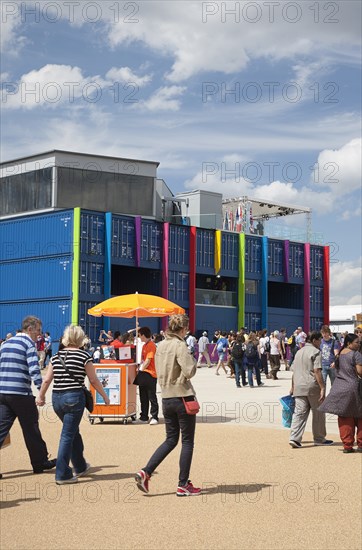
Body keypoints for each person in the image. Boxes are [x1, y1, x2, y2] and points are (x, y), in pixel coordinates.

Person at [135, 314, 200, 497]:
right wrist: (192, 359)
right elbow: (189, 371)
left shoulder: (160, 345)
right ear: (182, 329)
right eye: (186, 329)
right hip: (182, 397)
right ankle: (183, 484)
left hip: (166, 397)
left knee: (171, 439)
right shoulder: (180, 345)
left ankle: (146, 471)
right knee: (187, 441)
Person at [36, 325, 110, 484]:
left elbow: (47, 379)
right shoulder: (84, 356)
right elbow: (93, 380)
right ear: (80, 339)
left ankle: (80, 466)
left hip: (56, 399)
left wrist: (41, 396)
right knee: (68, 435)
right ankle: (62, 474)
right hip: (74, 398)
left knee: (72, 431)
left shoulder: (56, 356)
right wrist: (105, 396)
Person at [0, 316, 56, 474]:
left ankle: (40, 461)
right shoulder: (28, 344)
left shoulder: (5, 344)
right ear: (29, 329)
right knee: (31, 429)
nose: (39, 334)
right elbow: (34, 369)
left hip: (3, 393)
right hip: (20, 393)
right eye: (38, 330)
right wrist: (41, 391)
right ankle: (40, 463)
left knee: (1, 430)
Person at [289, 331, 333, 449]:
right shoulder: (316, 352)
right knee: (318, 412)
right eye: (319, 340)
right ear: (314, 340)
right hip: (312, 386)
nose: (321, 343)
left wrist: (292, 386)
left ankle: (294, 438)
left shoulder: (299, 352)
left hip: (299, 386)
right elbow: (317, 371)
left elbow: (294, 371)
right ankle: (319, 438)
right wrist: (323, 387)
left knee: (299, 413)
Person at [318, 333, 362, 453]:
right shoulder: (356, 355)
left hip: (338, 387)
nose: (359, 344)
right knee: (359, 416)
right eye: (356, 342)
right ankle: (361, 444)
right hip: (353, 388)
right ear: (349, 343)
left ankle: (347, 446)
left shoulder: (339, 355)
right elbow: (360, 372)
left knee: (344, 417)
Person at [137, 326, 159, 425]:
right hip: (143, 372)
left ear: (143, 335)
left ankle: (154, 416)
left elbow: (148, 360)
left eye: (139, 335)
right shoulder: (144, 345)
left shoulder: (151, 345)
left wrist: (141, 369)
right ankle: (144, 416)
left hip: (150, 373)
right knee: (143, 396)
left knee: (151, 396)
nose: (139, 337)